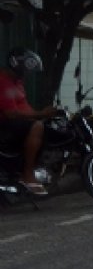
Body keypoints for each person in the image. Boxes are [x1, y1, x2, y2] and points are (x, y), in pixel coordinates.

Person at [0, 48, 57, 196]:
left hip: (15, 123)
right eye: (25, 69)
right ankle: (27, 174)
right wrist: (40, 114)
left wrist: (42, 115)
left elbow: (24, 108)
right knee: (37, 126)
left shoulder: (17, 82)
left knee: (46, 127)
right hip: (5, 124)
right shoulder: (3, 81)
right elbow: (11, 114)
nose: (27, 73)